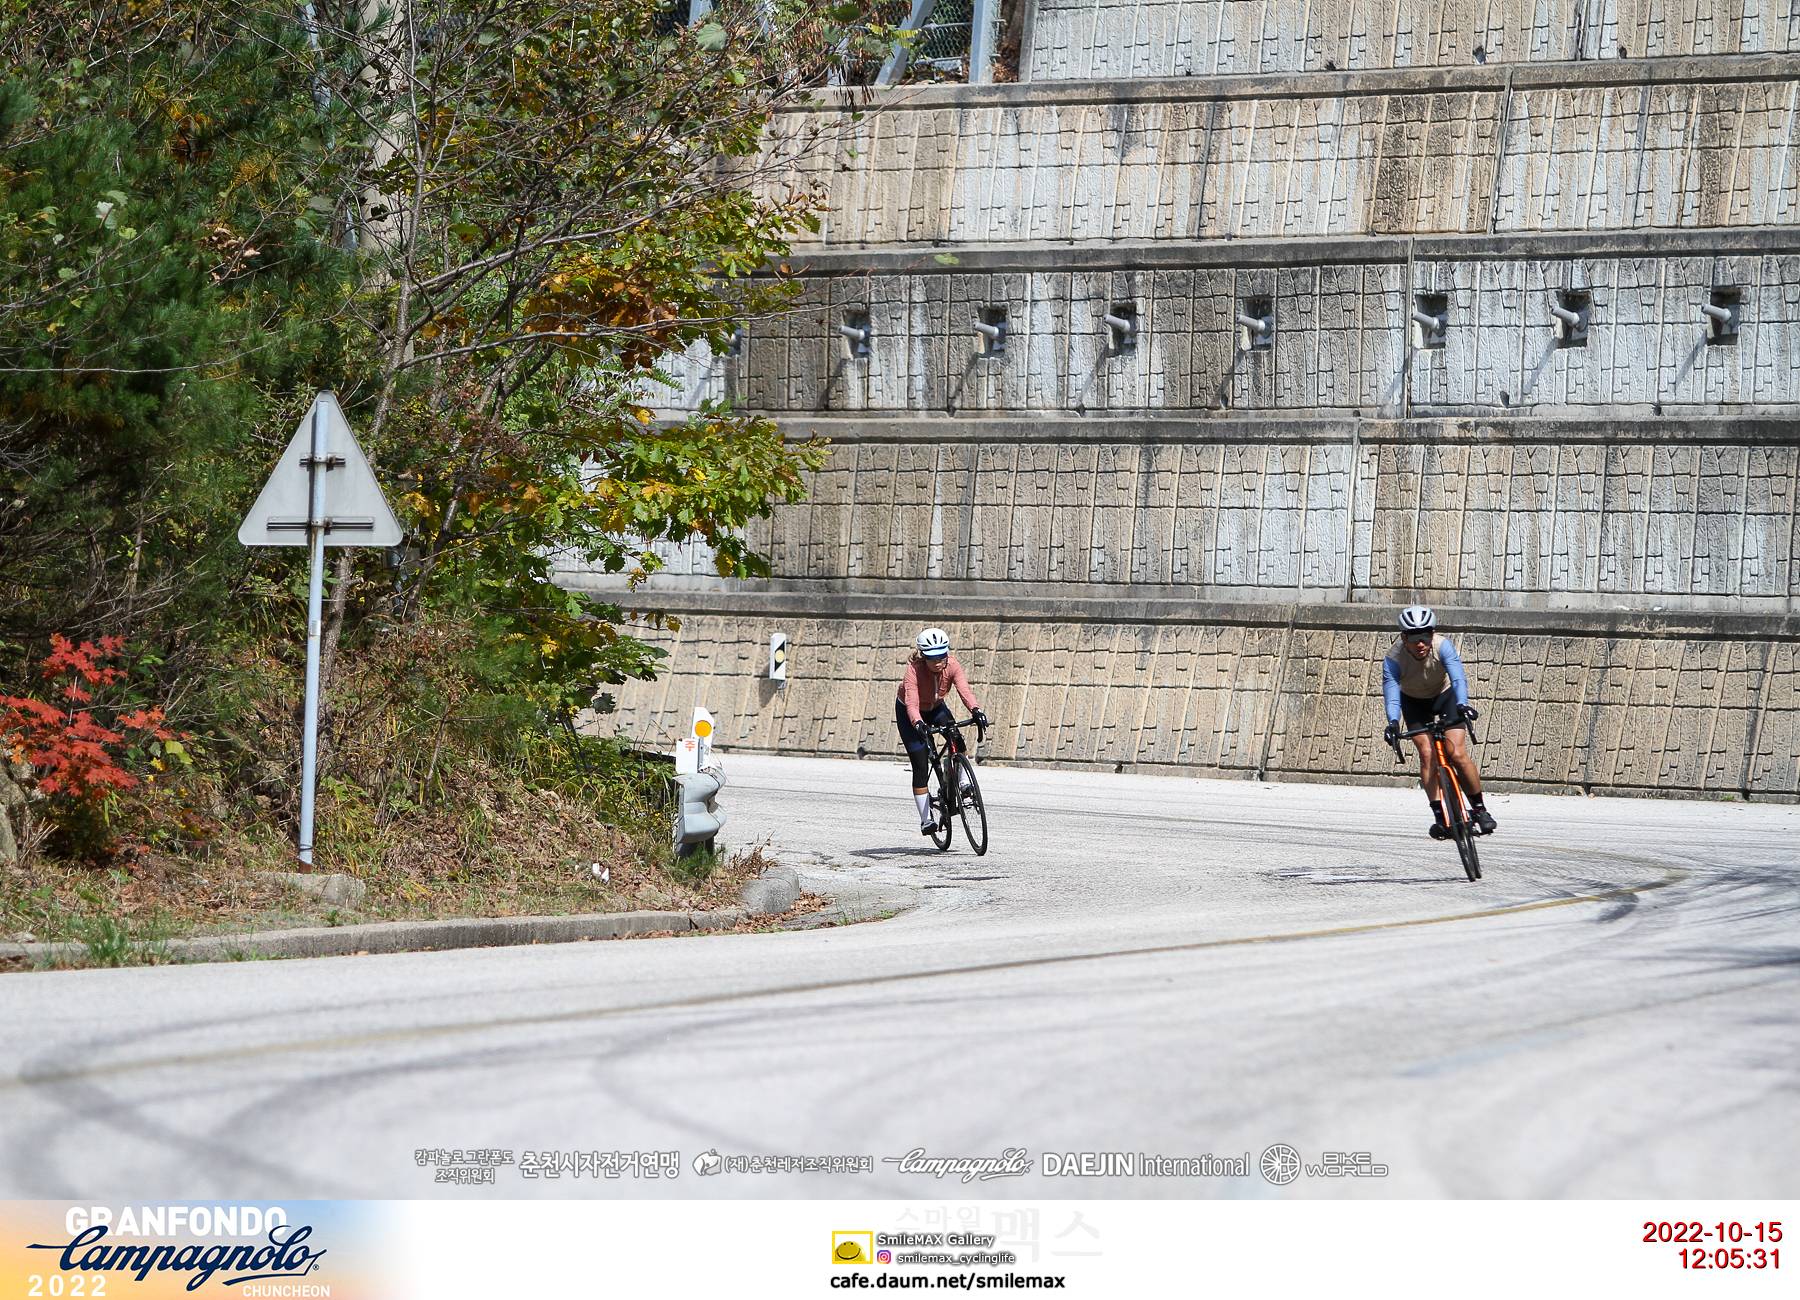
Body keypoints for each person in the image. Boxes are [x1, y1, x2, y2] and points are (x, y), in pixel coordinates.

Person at [1381, 606, 1497, 838]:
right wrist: (1393, 722)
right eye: (1414, 637)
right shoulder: (1393, 659)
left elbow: (1458, 678)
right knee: (1427, 754)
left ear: (1432, 634)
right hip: (1414, 703)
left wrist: (1462, 704)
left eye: (1425, 636)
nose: (1420, 643)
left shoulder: (1442, 645)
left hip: (1445, 697)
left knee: (1457, 753)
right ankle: (1440, 816)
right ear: (1403, 637)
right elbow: (1392, 697)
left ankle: (1480, 809)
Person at [896, 628, 989, 835]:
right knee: (920, 764)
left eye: (942, 655)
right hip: (910, 712)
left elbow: (964, 691)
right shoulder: (914, 671)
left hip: (936, 708)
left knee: (956, 737)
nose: (938, 661)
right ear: (923, 656)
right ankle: (925, 819)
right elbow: (912, 704)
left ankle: (963, 782)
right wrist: (918, 723)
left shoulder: (952, 665)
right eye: (932, 657)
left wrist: (976, 710)